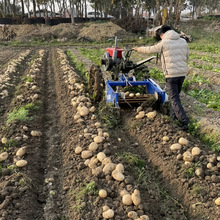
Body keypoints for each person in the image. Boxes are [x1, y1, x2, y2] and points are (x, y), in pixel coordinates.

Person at [133, 25, 189, 130]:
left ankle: (184, 121)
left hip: (171, 75)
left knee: (174, 98)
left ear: (162, 34)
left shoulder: (164, 42)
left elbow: (150, 49)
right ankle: (173, 117)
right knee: (175, 97)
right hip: (182, 74)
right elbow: (187, 56)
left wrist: (137, 49)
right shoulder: (183, 41)